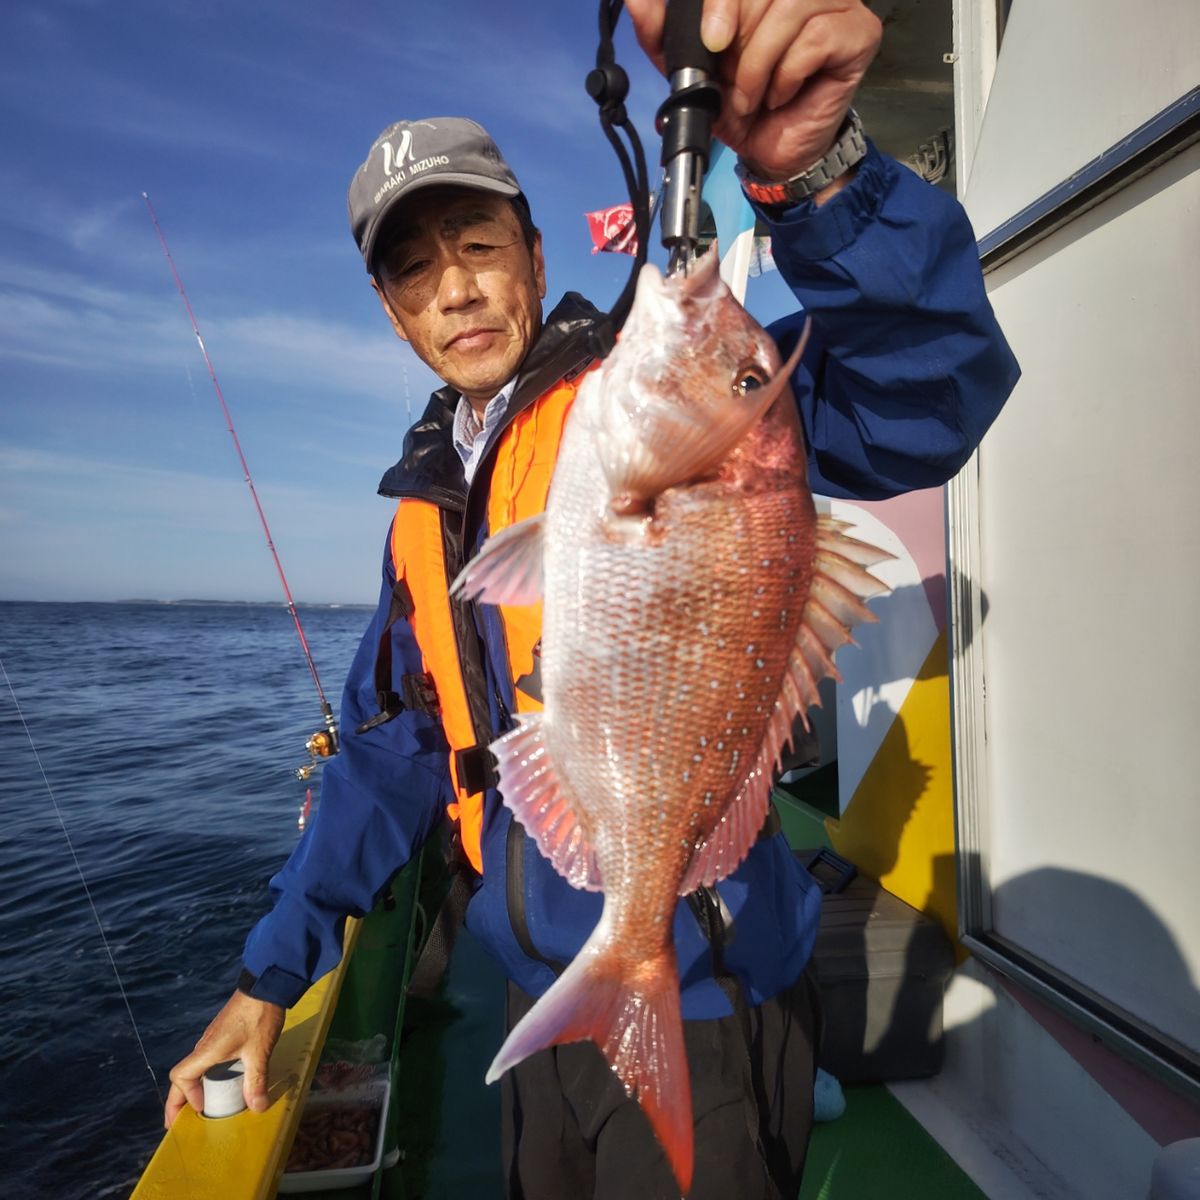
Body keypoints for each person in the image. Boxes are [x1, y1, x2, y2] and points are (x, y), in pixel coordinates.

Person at [165, 2, 1020, 1196]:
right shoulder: (429, 502)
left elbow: (927, 392)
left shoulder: (686, 407)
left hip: (708, 994)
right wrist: (270, 973)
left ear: (535, 252)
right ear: (391, 311)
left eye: (476, 242)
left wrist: (817, 177)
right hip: (542, 989)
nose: (454, 288)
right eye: (414, 267)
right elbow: (400, 743)